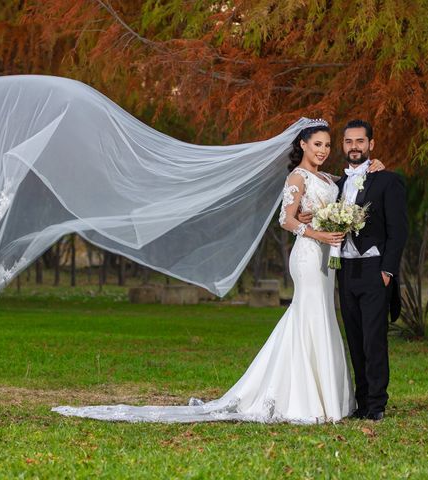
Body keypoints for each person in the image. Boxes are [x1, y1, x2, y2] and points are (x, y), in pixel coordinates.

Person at [52, 119, 386, 424]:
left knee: (323, 316)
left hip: (327, 259)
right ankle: (305, 399)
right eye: (318, 145)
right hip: (307, 256)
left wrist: (373, 168)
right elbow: (286, 220)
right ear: (303, 145)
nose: (324, 150)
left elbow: (350, 189)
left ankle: (329, 397)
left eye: (328, 145)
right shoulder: (296, 177)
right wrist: (320, 233)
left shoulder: (330, 179)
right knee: (309, 314)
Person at [334, 120, 408, 422]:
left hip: (375, 268)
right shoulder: (336, 185)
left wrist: (387, 270)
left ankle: (377, 404)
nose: (354, 147)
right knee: (354, 336)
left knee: (373, 338)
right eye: (349, 141)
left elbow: (399, 229)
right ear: (343, 145)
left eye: (360, 141)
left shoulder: (387, 181)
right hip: (346, 268)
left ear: (371, 145)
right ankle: (361, 402)